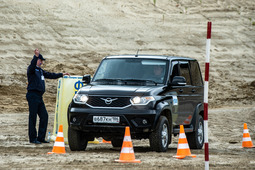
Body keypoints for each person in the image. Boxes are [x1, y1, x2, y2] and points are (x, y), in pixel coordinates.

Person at [26, 49, 70, 144]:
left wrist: (61, 74)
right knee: (33, 117)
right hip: (32, 95)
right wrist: (36, 56)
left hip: (39, 96)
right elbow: (33, 65)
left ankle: (41, 137)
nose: (42, 62)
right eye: (40, 60)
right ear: (38, 60)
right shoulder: (32, 69)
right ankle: (33, 138)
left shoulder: (40, 71)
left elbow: (50, 75)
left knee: (44, 116)